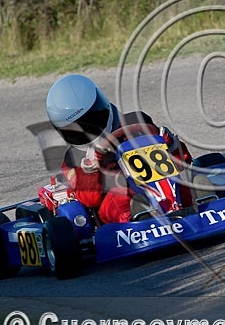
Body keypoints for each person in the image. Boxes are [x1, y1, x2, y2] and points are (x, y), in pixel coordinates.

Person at [44, 73, 192, 224]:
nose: (88, 130)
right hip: (118, 199)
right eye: (77, 129)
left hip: (158, 185)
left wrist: (171, 145)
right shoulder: (73, 159)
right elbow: (90, 200)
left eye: (92, 120)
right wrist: (90, 171)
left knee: (184, 184)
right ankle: (139, 218)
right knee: (120, 199)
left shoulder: (138, 122)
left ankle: (200, 198)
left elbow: (183, 163)